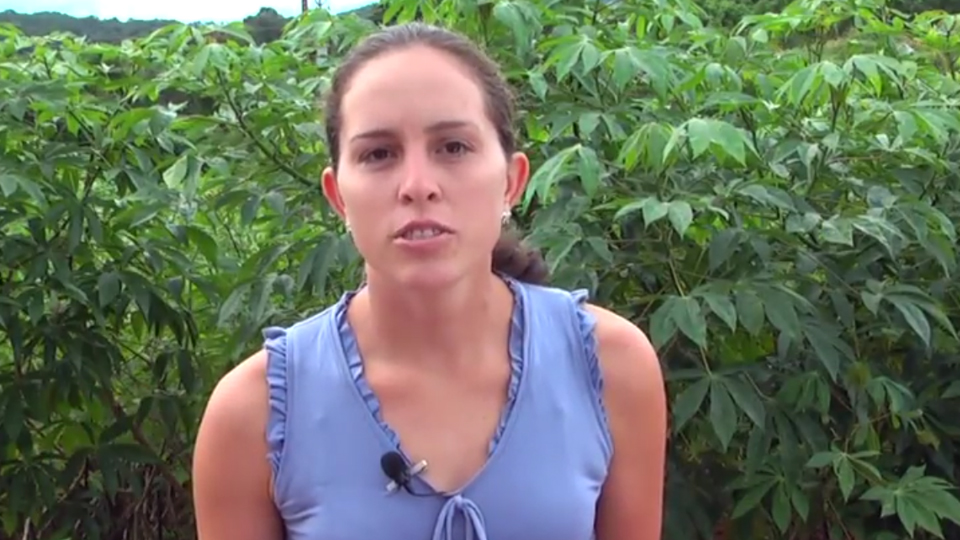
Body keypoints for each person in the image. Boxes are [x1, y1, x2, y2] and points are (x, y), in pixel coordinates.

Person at [191, 21, 667, 540]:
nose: (418, 186)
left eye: (453, 147)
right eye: (379, 154)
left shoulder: (610, 366)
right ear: (338, 197)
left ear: (511, 181)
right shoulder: (251, 414)